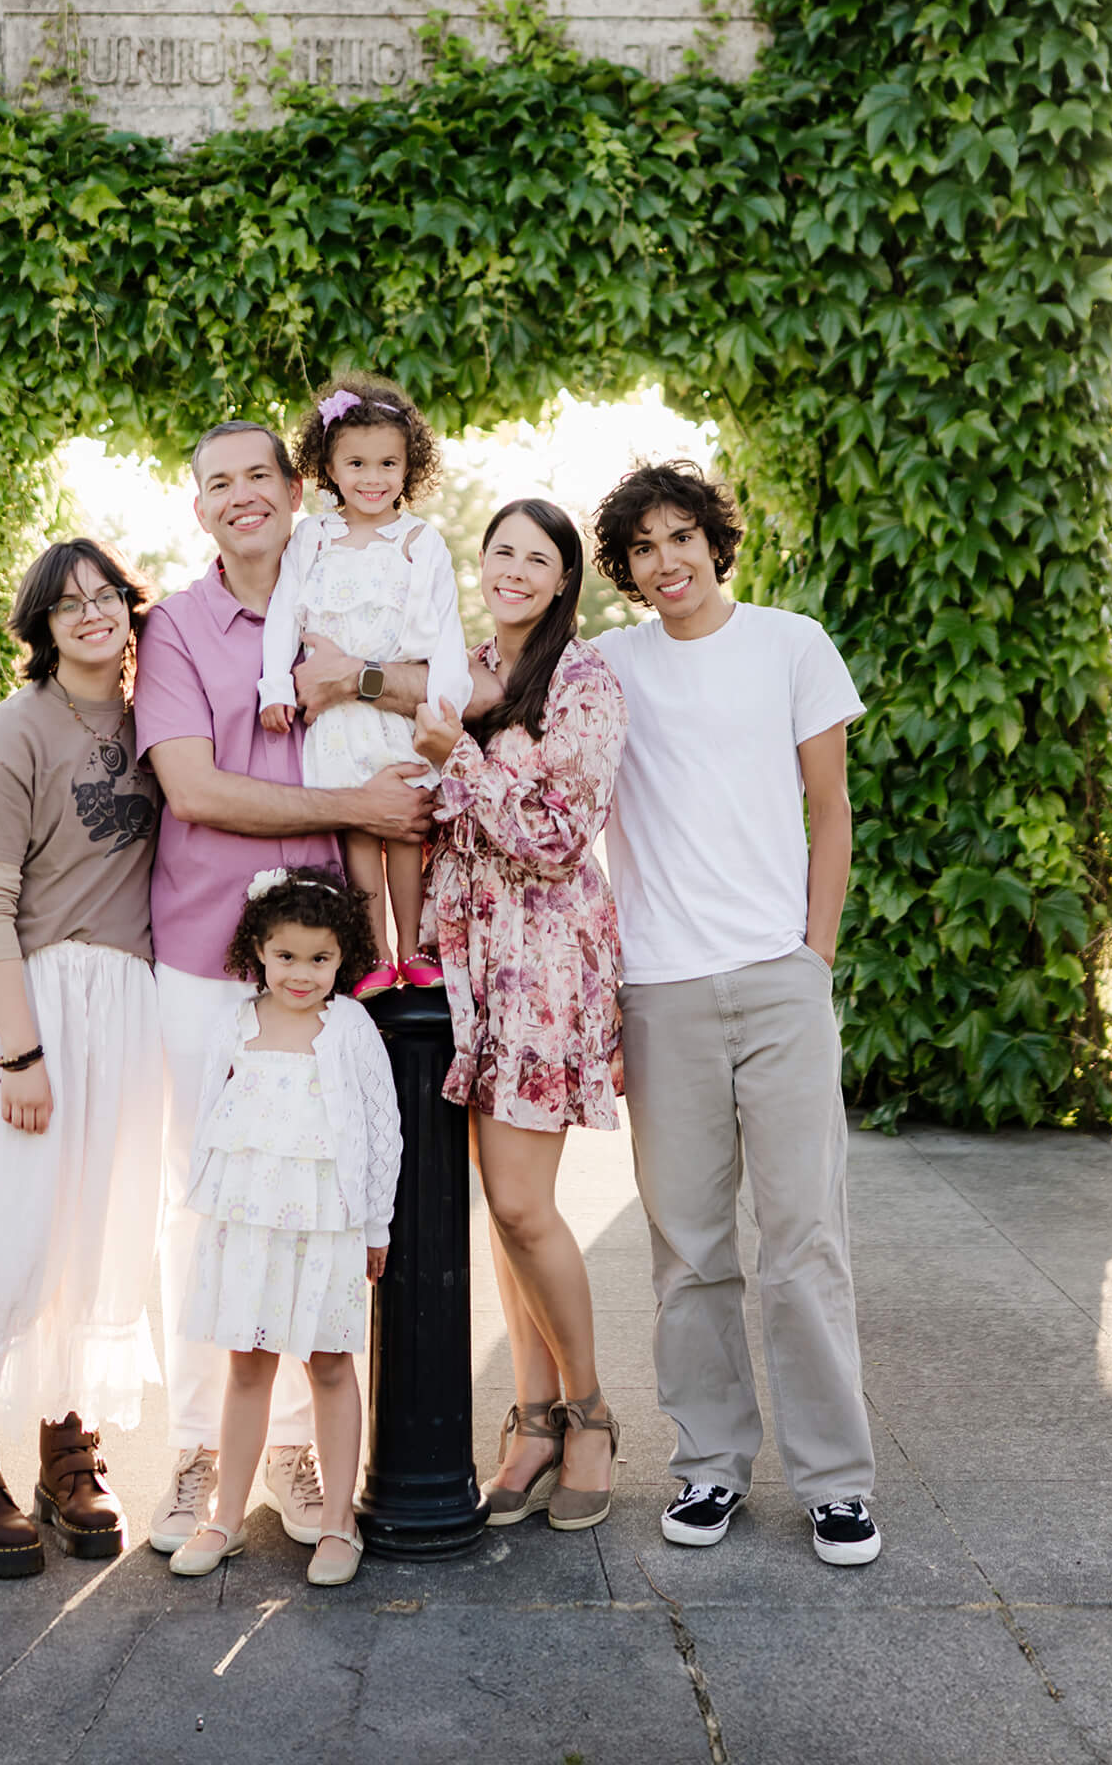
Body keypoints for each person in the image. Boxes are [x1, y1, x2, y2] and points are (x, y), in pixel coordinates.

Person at [133, 419, 434, 1556]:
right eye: (220, 482)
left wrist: (366, 681)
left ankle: (302, 1449)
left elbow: (423, 684)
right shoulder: (175, 628)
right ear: (200, 507)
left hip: (316, 965)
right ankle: (199, 1449)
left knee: (312, 1197)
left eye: (260, 473)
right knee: (204, 1205)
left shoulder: (341, 586)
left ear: (295, 487)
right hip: (205, 956)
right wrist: (353, 808)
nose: (242, 495)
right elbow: (195, 787)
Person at [591, 460, 881, 1567]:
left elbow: (830, 807)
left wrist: (814, 956)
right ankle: (709, 1464)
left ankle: (837, 1482)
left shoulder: (791, 643)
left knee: (804, 1239)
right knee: (689, 1248)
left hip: (778, 981)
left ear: (717, 538)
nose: (666, 562)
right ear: (624, 569)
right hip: (660, 989)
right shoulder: (607, 666)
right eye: (643, 549)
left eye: (682, 537)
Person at [0, 536, 164, 1578]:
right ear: (39, 628)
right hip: (29, 1004)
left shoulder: (160, 723)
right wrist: (20, 1050)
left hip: (125, 1005)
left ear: (127, 607)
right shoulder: (13, 728)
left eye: (105, 595)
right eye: (67, 605)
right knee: (12, 1236)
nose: (91, 614)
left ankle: (69, 1445)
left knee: (95, 1234)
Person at [412, 498, 628, 1532]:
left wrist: (460, 751)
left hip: (543, 957)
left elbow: (550, 832)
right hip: (466, 954)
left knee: (519, 1199)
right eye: (499, 549)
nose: (512, 567)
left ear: (562, 578)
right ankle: (533, 1420)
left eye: (535, 557)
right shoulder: (460, 664)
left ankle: (588, 1412)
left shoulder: (583, 681)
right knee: (501, 1211)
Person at [168, 864, 401, 1589]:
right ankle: (225, 1517)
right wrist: (208, 1211)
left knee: (329, 1363)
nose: (301, 974)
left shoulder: (350, 1028)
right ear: (259, 951)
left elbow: (379, 1127)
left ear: (343, 957)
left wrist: (375, 1224)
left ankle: (337, 1521)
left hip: (326, 1222)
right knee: (246, 1363)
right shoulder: (236, 1023)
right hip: (251, 1221)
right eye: (286, 957)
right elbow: (211, 1119)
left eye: (320, 958)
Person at [258, 373, 471, 995]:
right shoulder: (312, 538)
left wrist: (444, 705)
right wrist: (275, 685)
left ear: (410, 467)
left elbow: (449, 633)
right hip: (336, 720)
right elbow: (284, 615)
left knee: (405, 826)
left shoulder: (419, 542)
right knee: (357, 826)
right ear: (328, 466)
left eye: (387, 463)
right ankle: (375, 953)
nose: (372, 477)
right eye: (356, 463)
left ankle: (416, 946)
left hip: (398, 715)